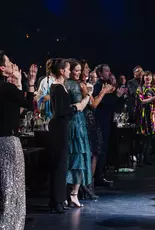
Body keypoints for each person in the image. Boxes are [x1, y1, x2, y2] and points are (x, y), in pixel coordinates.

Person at [0, 50, 36, 229]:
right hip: (7, 142)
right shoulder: (7, 88)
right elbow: (29, 105)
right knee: (12, 187)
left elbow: (15, 112)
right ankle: (9, 225)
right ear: (2, 68)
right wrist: (26, 84)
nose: (12, 66)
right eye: (8, 64)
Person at [48, 59, 89, 213]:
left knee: (61, 163)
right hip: (59, 127)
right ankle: (57, 201)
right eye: (67, 68)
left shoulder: (60, 87)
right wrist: (75, 107)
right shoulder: (58, 88)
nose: (69, 71)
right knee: (59, 164)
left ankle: (57, 200)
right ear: (61, 71)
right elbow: (60, 111)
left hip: (62, 126)